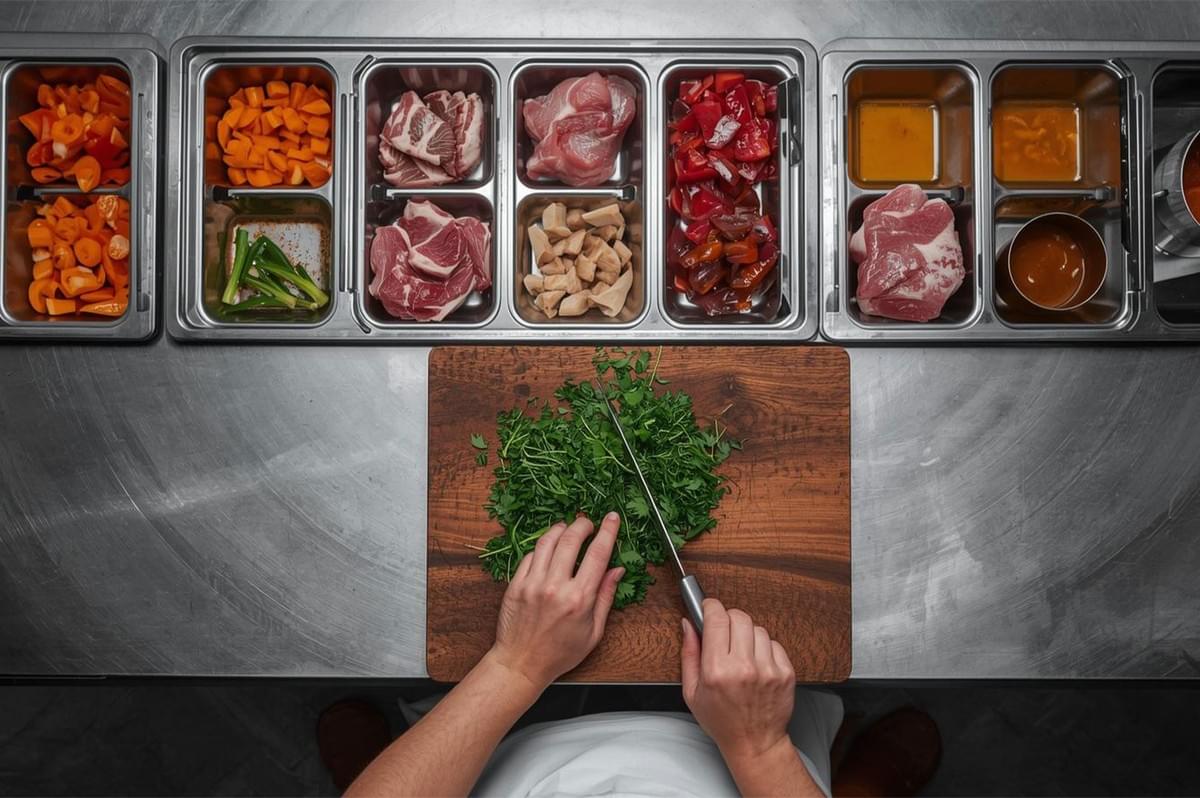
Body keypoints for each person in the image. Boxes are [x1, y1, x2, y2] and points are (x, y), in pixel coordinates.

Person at [343, 511, 844, 797]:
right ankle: (869, 781)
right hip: (734, 767)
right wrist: (761, 751)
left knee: (375, 762)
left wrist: (515, 666)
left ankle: (357, 759)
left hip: (511, 771)